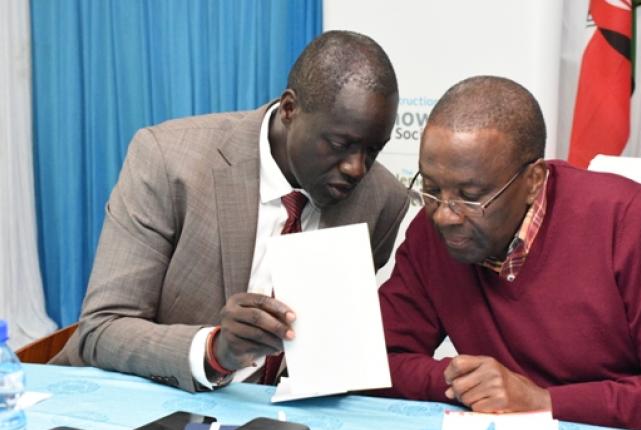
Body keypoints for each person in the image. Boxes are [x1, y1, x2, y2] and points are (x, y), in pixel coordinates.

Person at [379, 76, 641, 430]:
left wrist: (545, 402)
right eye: (431, 188)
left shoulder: (626, 221)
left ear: (534, 181)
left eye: (471, 196)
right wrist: (461, 382)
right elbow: (375, 360)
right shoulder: (434, 233)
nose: (445, 214)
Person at [52, 31, 408, 392]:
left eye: (373, 150)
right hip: (132, 397)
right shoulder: (168, 160)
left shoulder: (382, 201)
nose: (356, 168)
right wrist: (215, 351)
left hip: (273, 416)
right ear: (289, 109)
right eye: (339, 144)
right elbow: (102, 329)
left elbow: (328, 348)